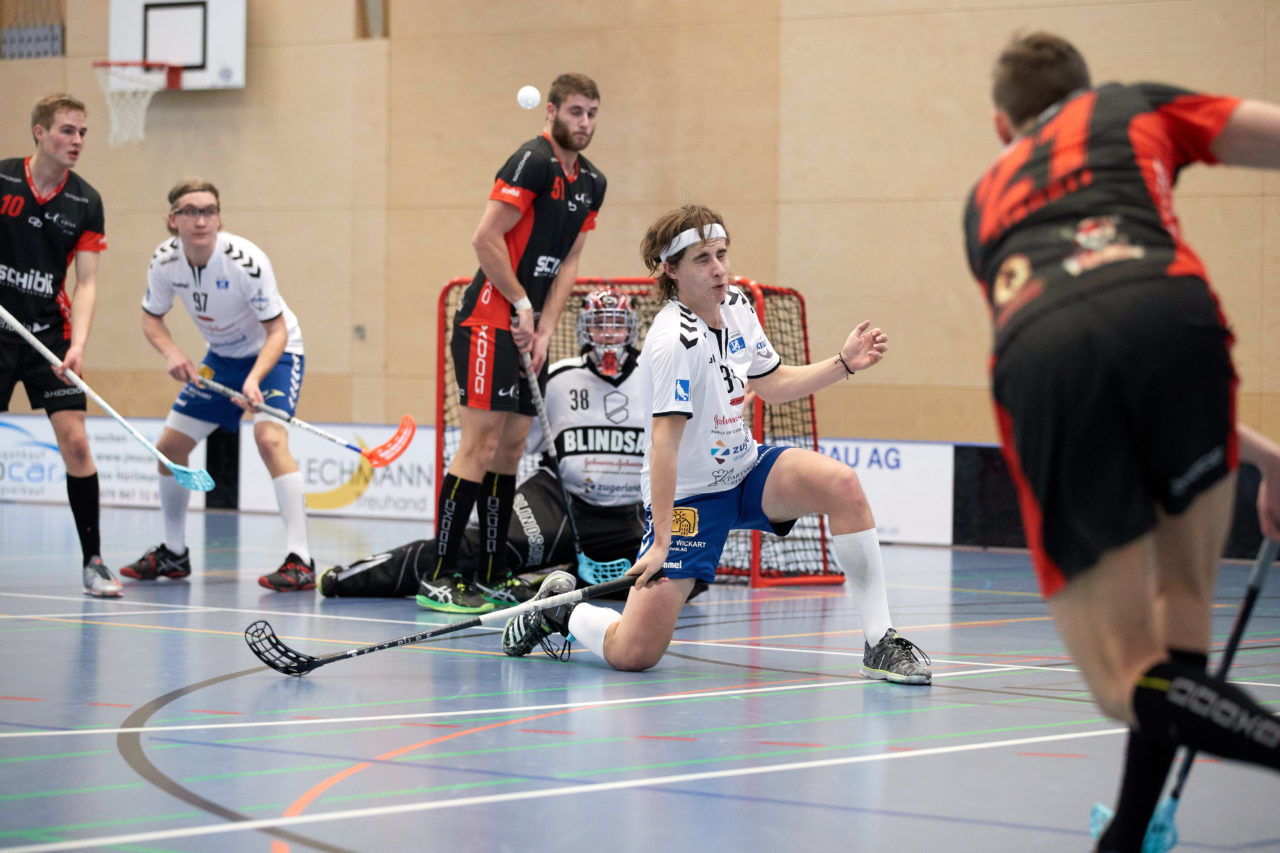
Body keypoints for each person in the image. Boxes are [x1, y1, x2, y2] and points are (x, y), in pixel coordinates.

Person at [962, 32, 1280, 853]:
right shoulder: (1135, 103)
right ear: (1086, 88)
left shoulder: (985, 198)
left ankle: (1136, 824)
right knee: (1183, 615)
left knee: (1124, 679)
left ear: (1005, 126)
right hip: (1176, 315)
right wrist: (1272, 463)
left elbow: (1083, 328)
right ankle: (1132, 831)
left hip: (1044, 348)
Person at [501, 205, 932, 685]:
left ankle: (880, 641)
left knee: (842, 484)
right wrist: (662, 539)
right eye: (703, 258)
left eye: (722, 254)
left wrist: (843, 363)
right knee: (634, 653)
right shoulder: (671, 342)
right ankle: (560, 612)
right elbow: (664, 444)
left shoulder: (739, 306)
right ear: (671, 270)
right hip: (691, 499)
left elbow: (772, 382)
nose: (719, 268)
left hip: (746, 471)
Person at [320, 288, 648, 602]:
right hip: (560, 503)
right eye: (600, 325)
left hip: (631, 516)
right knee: (480, 550)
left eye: (617, 325)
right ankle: (350, 578)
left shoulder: (653, 380)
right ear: (583, 329)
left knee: (677, 573)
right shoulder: (558, 379)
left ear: (632, 329)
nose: (609, 335)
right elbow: (515, 444)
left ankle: (562, 578)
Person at [421, 73, 606, 615]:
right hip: (487, 320)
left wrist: (546, 327)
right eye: (575, 112)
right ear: (551, 112)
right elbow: (485, 238)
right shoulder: (532, 160)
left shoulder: (592, 181)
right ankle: (438, 574)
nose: (585, 123)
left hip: (529, 328)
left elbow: (569, 261)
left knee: (510, 450)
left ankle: (493, 572)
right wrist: (521, 303)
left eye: (592, 113)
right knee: (478, 447)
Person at [121, 179, 316, 592]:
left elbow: (277, 331)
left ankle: (301, 560)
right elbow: (151, 318)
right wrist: (172, 352)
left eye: (209, 211)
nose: (201, 220)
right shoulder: (164, 261)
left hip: (274, 354)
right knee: (170, 449)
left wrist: (255, 377)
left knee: (268, 439)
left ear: (219, 217)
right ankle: (173, 553)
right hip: (221, 359)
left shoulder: (246, 261)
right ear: (173, 219)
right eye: (190, 211)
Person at [0, 94, 120, 598]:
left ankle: (93, 561)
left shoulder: (85, 201)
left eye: (82, 133)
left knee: (76, 442)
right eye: (67, 131)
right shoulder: (3, 179)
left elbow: (86, 283)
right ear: (39, 132)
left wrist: (79, 347)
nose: (77, 141)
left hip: (50, 333)